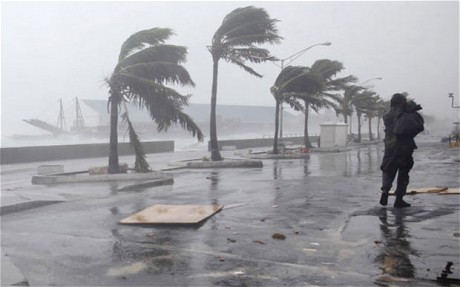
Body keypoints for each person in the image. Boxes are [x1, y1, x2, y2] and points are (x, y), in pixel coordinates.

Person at [379, 93, 424, 208]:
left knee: (388, 170)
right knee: (403, 172)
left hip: (390, 146)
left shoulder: (387, 115)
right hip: (405, 146)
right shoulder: (405, 113)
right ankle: (399, 199)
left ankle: (385, 190)